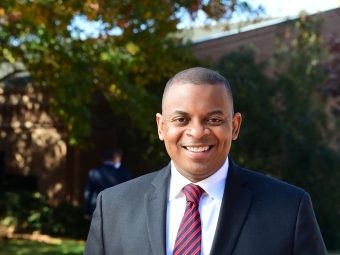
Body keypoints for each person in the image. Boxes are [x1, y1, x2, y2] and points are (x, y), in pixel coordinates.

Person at [84, 67, 327, 254]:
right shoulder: (114, 207)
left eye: (213, 120)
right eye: (181, 119)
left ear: (234, 126)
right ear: (161, 127)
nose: (197, 132)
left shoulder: (289, 209)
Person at [83, 147, 131, 219]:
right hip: (118, 210)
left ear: (102, 159)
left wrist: (87, 211)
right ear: (114, 158)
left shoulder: (94, 173)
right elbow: (129, 192)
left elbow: (88, 193)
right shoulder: (124, 173)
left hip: (97, 208)